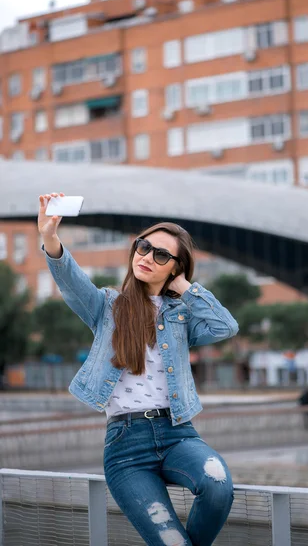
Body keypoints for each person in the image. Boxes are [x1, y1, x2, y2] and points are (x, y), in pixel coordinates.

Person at [38, 192, 239, 546]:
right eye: (144, 247)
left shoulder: (180, 316)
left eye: (161, 254)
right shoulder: (107, 306)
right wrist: (51, 238)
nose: (147, 257)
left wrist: (184, 287)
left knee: (218, 484)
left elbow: (225, 327)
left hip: (178, 433)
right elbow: (70, 281)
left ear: (175, 266)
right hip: (126, 447)